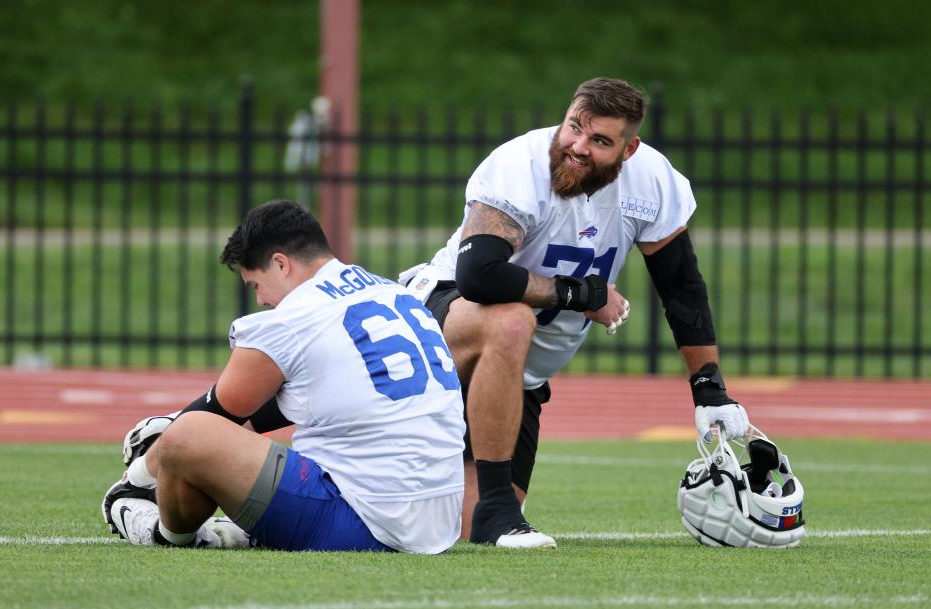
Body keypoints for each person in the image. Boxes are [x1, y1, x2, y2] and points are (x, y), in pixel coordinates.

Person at [400, 77, 750, 549]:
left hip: (517, 379)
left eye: (601, 140)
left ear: (629, 150)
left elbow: (681, 286)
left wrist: (709, 388)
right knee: (511, 318)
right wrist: (584, 295)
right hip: (445, 324)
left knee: (456, 534)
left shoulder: (651, 180)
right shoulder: (519, 165)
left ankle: (492, 512)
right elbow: (479, 277)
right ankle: (500, 514)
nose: (579, 147)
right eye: (574, 128)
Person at [102, 200, 466, 554]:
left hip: (367, 519)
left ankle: (162, 533)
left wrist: (140, 474)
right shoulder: (389, 291)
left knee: (187, 436)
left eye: (254, 285)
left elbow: (218, 414)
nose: (260, 300)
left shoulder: (296, 317)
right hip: (439, 519)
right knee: (208, 430)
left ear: (280, 264)